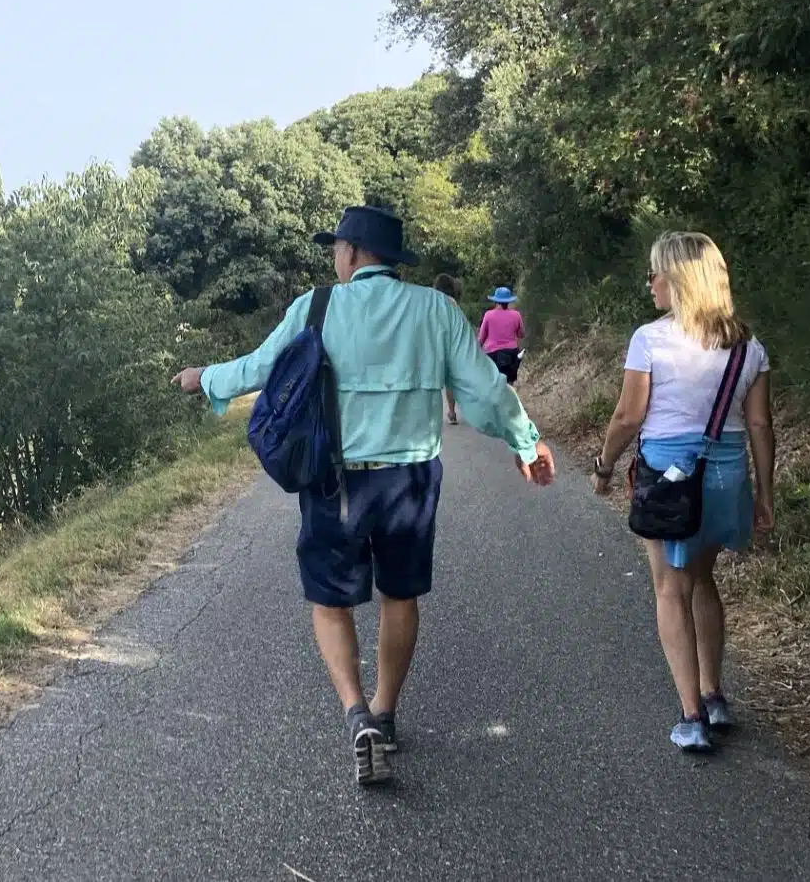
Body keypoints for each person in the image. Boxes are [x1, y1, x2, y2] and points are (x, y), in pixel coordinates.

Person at [173, 206, 556, 787]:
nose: (335, 258)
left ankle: (356, 714)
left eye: (336, 249)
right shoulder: (436, 308)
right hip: (411, 480)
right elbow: (482, 389)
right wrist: (526, 442)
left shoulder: (318, 306)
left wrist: (203, 377)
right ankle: (385, 711)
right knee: (400, 597)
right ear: (392, 259)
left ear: (350, 252)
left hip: (337, 483)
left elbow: (258, 367)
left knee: (331, 602)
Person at [590, 231, 774, 753]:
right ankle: (716, 694)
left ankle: (691, 715)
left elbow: (628, 416)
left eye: (656, 273)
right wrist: (765, 495)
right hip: (727, 476)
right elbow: (760, 426)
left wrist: (604, 466)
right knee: (703, 579)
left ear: (679, 280)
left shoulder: (651, 339)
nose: (650, 283)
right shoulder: (748, 345)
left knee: (670, 587)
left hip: (669, 479)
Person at [432, 275, 464, 424]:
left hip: (434, 344)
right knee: (450, 382)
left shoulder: (431, 301)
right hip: (451, 344)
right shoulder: (453, 303)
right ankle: (452, 411)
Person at [479, 287, 524, 385]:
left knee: (491, 382)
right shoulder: (516, 315)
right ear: (508, 302)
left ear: (496, 301)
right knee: (510, 381)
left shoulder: (488, 315)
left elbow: (481, 338)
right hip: (511, 353)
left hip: (492, 354)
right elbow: (521, 334)